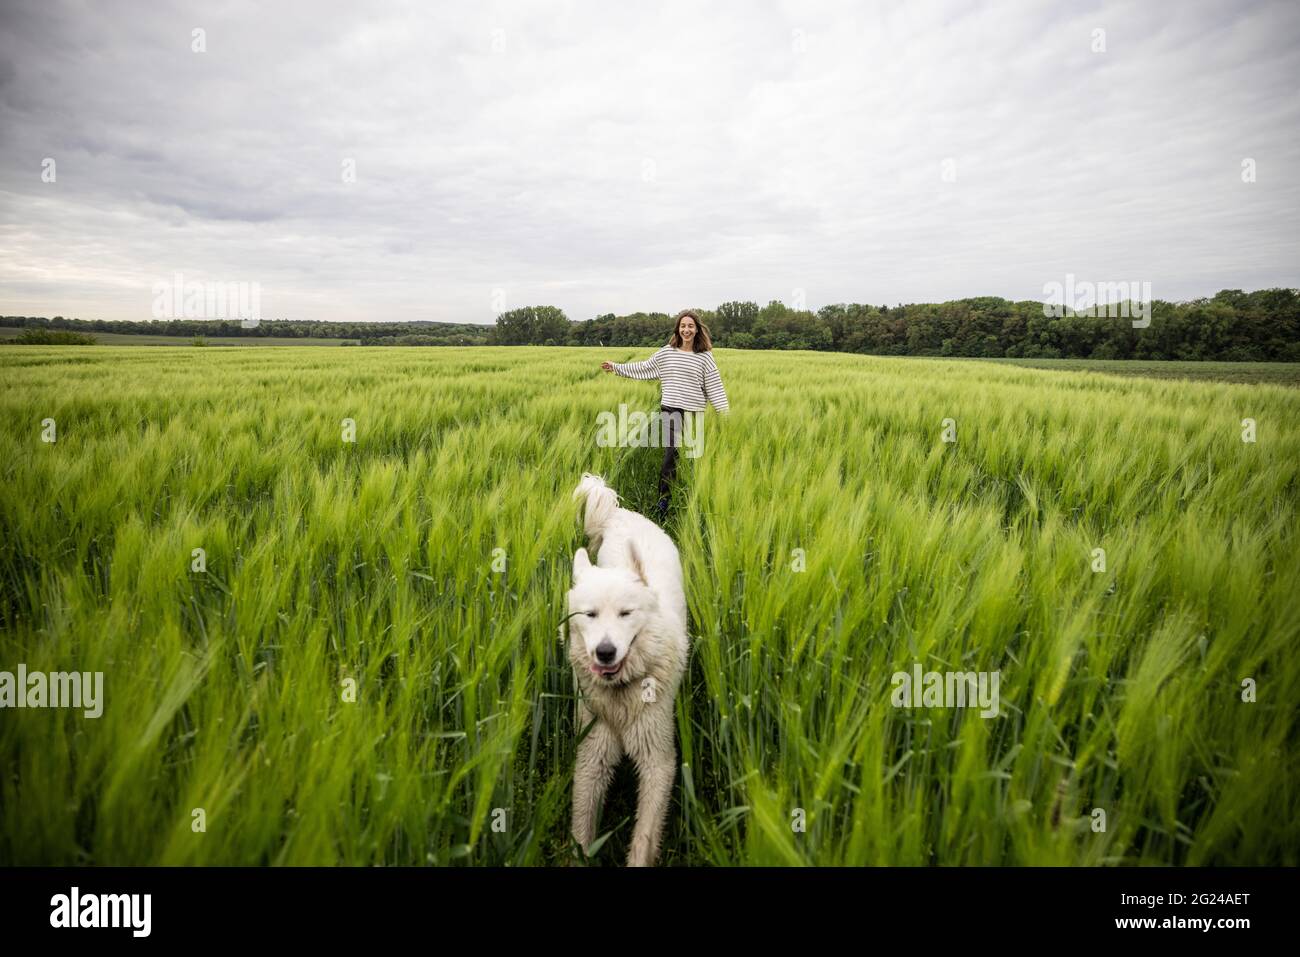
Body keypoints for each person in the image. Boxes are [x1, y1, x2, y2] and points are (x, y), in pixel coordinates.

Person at [601, 310, 729, 519]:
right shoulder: (667, 353)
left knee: (693, 457)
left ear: (697, 329)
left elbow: (715, 386)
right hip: (671, 410)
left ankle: (690, 499)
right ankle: (664, 501)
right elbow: (644, 368)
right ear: (678, 329)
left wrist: (724, 415)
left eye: (690, 326)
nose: (686, 330)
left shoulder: (705, 356)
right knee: (672, 455)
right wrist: (616, 367)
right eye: (683, 326)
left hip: (694, 413)